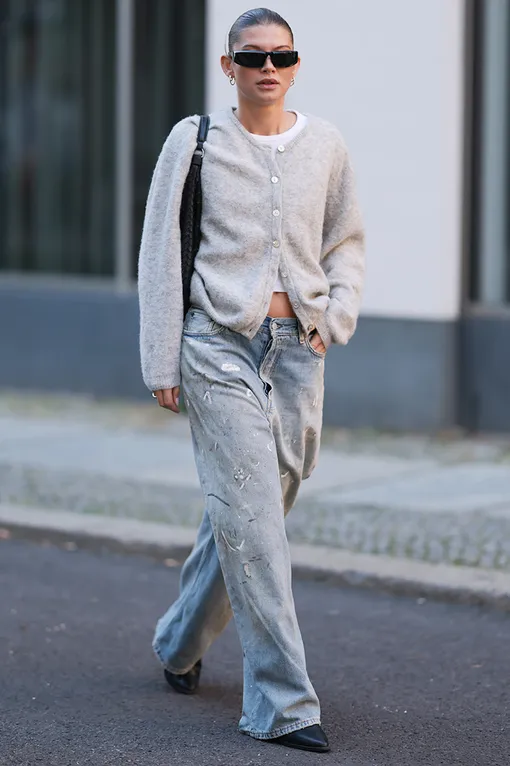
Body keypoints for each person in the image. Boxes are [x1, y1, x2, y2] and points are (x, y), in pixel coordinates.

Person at [138, 7, 365, 754]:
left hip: (299, 349)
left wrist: (335, 317)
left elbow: (345, 240)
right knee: (257, 525)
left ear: (295, 66)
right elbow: (160, 251)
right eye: (253, 56)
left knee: (252, 512)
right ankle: (283, 704)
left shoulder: (325, 144)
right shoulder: (194, 140)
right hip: (215, 345)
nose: (268, 67)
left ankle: (178, 641)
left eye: (281, 56)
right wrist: (160, 358)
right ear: (228, 65)